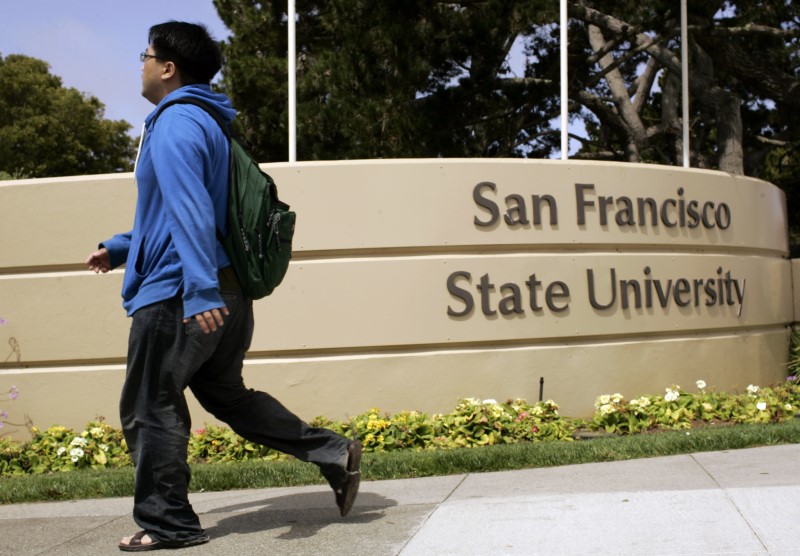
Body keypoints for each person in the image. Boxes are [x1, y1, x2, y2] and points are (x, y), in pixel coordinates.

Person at [85, 21, 361, 552]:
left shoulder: (173, 123)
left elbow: (189, 210)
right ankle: (333, 452)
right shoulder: (212, 124)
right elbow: (185, 211)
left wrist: (199, 290)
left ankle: (169, 524)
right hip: (225, 288)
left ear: (167, 67)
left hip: (182, 294)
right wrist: (122, 247)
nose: (140, 64)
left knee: (151, 405)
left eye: (144, 55)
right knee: (228, 396)